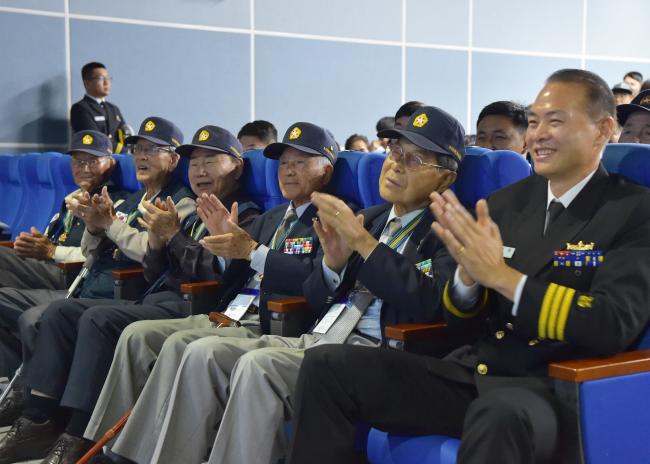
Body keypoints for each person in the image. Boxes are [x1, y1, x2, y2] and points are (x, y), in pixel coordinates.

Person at [287, 69, 650, 464]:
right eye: (533, 122)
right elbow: (460, 320)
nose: (539, 134)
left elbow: (611, 324)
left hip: (551, 387)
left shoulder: (633, 210)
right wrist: (466, 281)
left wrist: (503, 278)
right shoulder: (504, 203)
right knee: (328, 366)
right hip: (474, 371)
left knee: (499, 416)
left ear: (602, 130)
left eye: (556, 121)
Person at [140, 106, 461, 464]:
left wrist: (364, 248)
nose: (397, 163)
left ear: (446, 178)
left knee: (258, 366)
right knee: (203, 352)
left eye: (415, 158)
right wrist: (332, 268)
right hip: (320, 336)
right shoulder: (369, 220)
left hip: (381, 354)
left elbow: (433, 303)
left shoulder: (447, 231)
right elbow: (314, 294)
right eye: (395, 151)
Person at [82, 122, 337, 464]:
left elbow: (319, 281)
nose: (289, 171)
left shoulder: (333, 218)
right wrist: (219, 247)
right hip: (227, 314)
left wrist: (249, 251)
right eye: (284, 163)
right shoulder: (273, 217)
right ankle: (116, 451)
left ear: (327, 170)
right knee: (139, 335)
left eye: (301, 162)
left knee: (185, 347)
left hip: (271, 322)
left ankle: (153, 456)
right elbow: (226, 274)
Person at [0, 116, 196, 464]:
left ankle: (77, 432)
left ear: (175, 159)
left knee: (86, 318)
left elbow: (148, 252)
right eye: (137, 149)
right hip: (112, 283)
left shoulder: (180, 201)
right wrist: (93, 228)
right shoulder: (134, 199)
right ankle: (37, 419)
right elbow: (92, 255)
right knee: (60, 312)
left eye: (153, 149)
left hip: (142, 292)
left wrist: (109, 226)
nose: (141, 157)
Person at [0, 130, 119, 380]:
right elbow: (53, 240)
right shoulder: (71, 199)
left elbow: (98, 256)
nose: (84, 168)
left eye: (92, 160)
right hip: (51, 265)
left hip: (75, 276)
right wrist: (38, 242)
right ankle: (13, 376)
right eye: (77, 161)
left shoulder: (114, 203)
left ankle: (29, 388)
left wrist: (51, 250)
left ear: (111, 162)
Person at [70, 63, 130, 153]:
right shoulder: (80, 108)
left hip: (117, 159)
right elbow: (95, 140)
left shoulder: (113, 109)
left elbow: (124, 135)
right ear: (87, 83)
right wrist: (125, 151)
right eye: (101, 79)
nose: (106, 83)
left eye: (108, 78)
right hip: (95, 160)